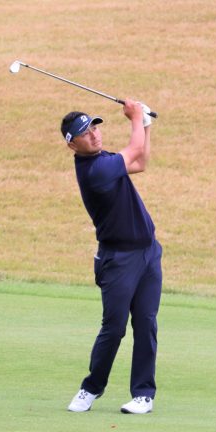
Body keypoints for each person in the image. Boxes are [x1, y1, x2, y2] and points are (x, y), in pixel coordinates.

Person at [62, 99, 162, 414]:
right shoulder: (95, 171)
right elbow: (134, 150)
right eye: (85, 133)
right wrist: (135, 117)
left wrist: (146, 125)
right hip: (119, 260)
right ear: (72, 144)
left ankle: (143, 395)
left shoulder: (104, 159)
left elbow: (140, 162)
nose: (94, 134)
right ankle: (91, 388)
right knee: (114, 327)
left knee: (146, 323)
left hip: (148, 253)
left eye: (94, 127)